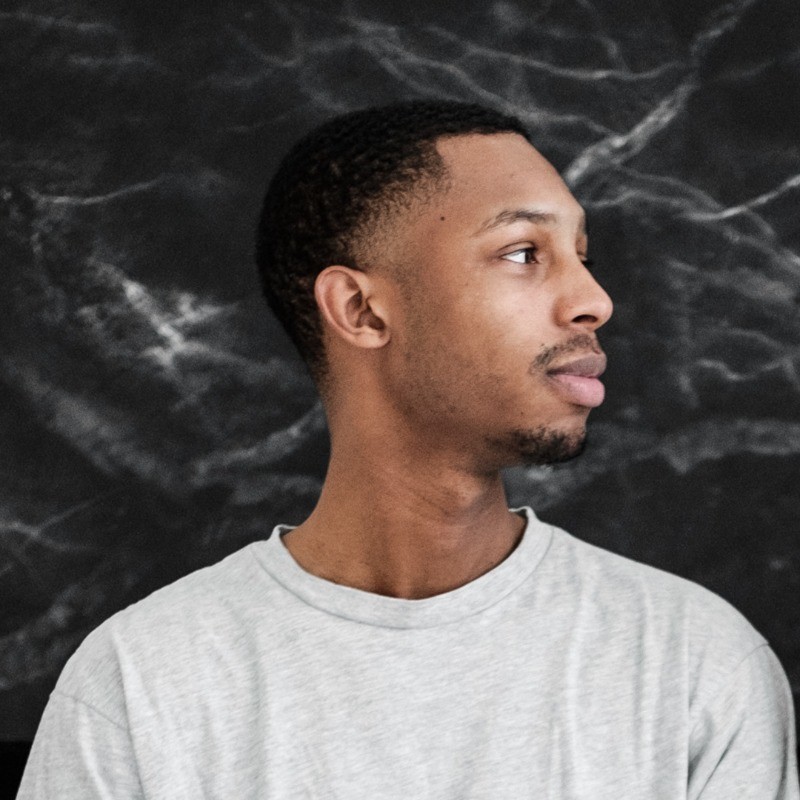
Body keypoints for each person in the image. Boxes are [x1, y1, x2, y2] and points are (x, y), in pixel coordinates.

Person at [17, 100, 799, 799]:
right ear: (360, 308)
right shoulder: (142, 685)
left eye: (581, 254)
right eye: (525, 253)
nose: (594, 299)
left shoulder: (695, 666)